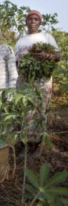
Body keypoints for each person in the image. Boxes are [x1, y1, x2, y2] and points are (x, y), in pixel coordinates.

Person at [15, 10, 61, 156]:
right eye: (30, 19)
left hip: (42, 80)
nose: (33, 21)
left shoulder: (46, 37)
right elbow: (16, 61)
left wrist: (45, 55)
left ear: (40, 22)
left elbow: (58, 56)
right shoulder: (21, 40)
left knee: (40, 110)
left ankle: (37, 144)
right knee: (25, 110)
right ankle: (25, 143)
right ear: (26, 22)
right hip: (24, 79)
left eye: (36, 19)